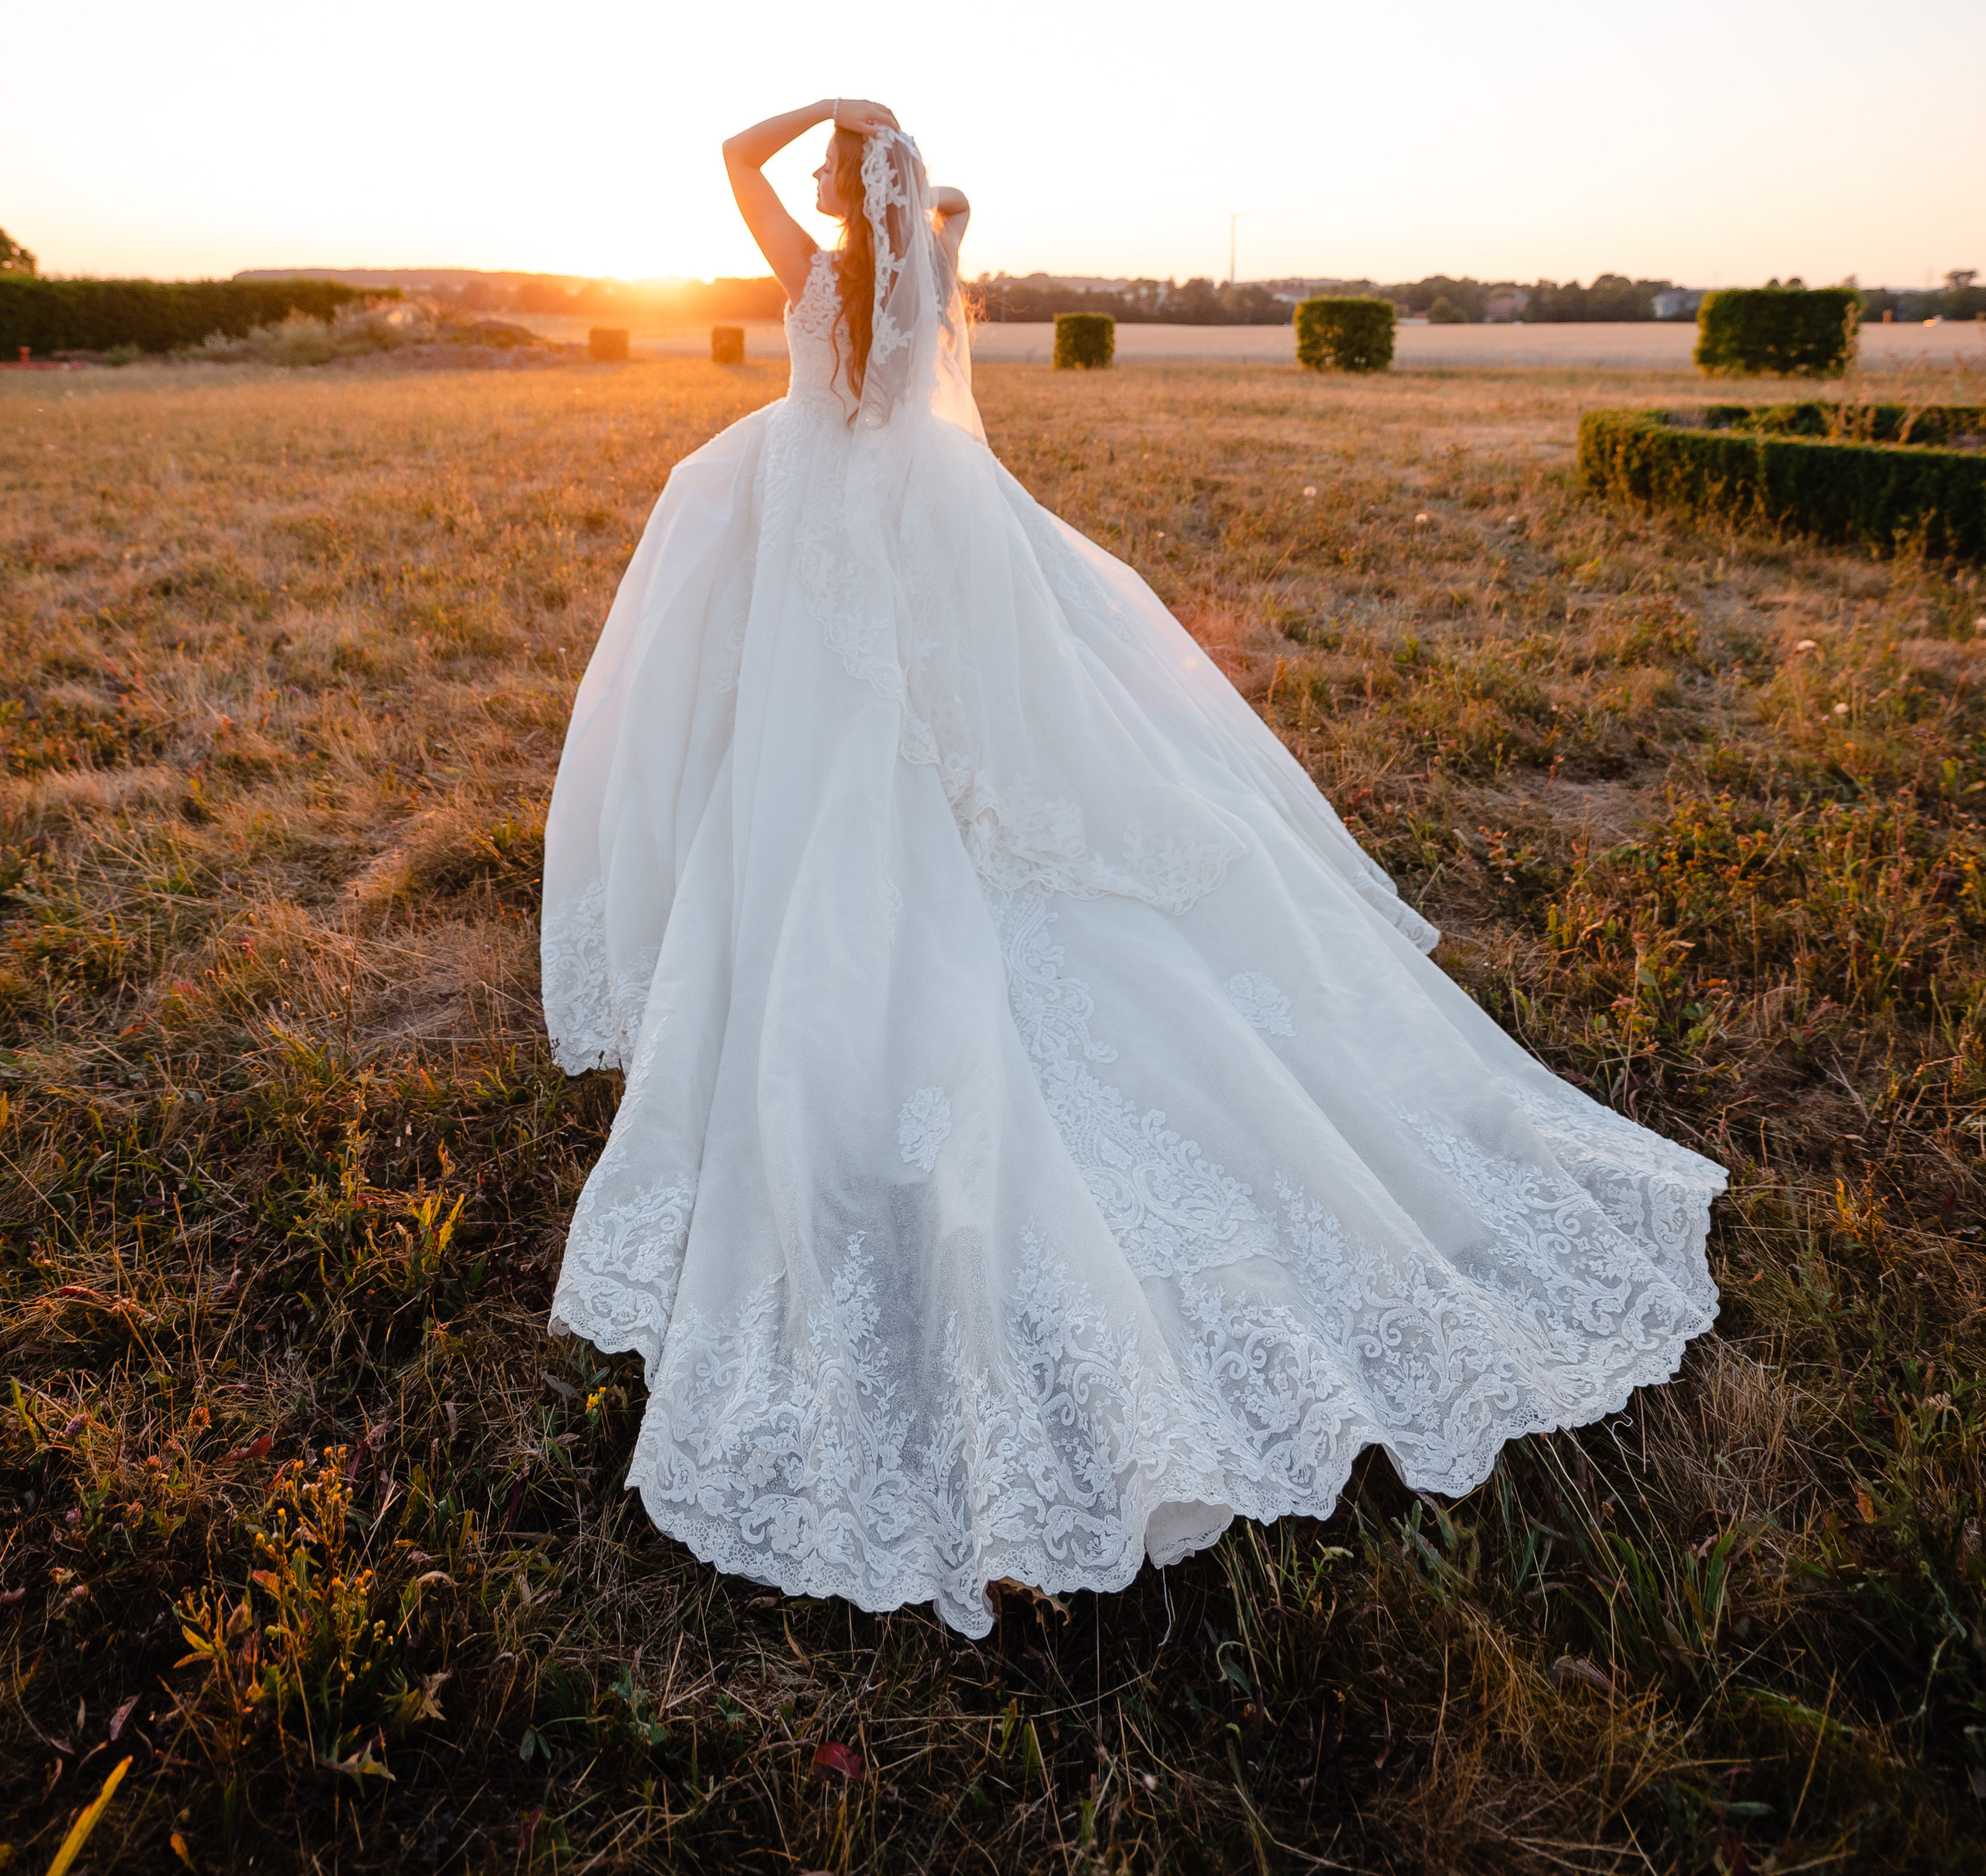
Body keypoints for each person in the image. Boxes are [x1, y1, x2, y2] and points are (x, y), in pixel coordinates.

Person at [541, 102, 1722, 1638]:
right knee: (912, 781)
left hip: (819, 561)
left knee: (813, 789)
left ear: (834, 191)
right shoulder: (920, 274)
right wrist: (884, 148)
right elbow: (943, 209)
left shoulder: (817, 276)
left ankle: (807, 969)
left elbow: (724, 160)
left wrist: (819, 115)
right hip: (896, 543)